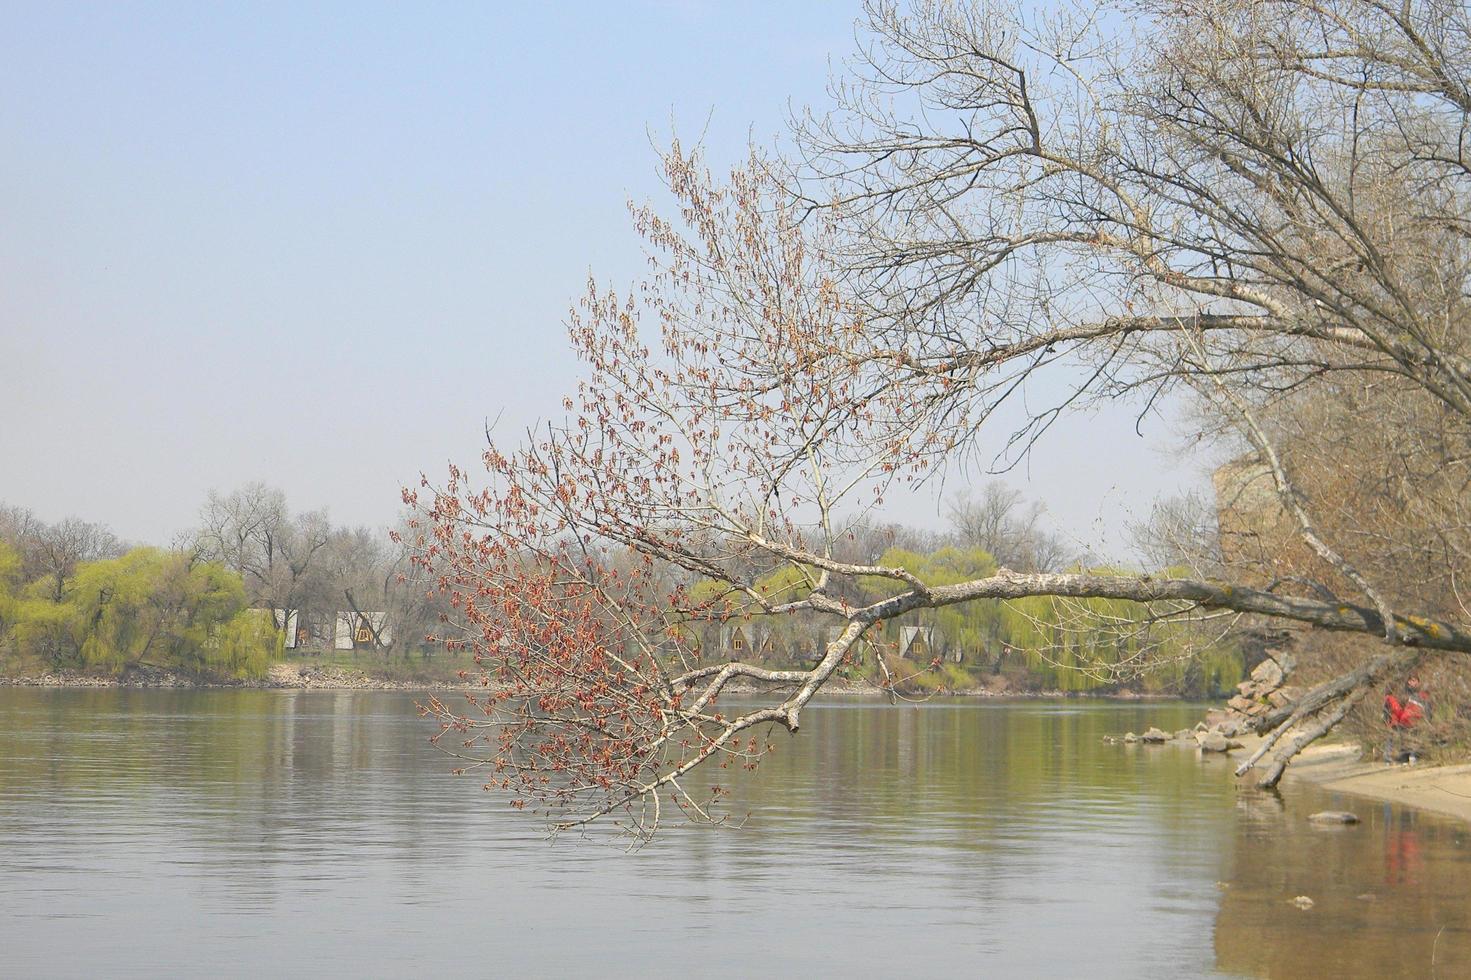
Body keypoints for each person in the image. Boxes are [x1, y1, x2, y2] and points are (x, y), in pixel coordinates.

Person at [1383, 676, 1428, 764]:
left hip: (1401, 720)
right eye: (1411, 681)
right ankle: (1409, 756)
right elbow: (1396, 709)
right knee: (1402, 738)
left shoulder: (1389, 698)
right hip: (1399, 720)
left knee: (1399, 738)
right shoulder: (1392, 698)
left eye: (1414, 681)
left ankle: (1402, 756)